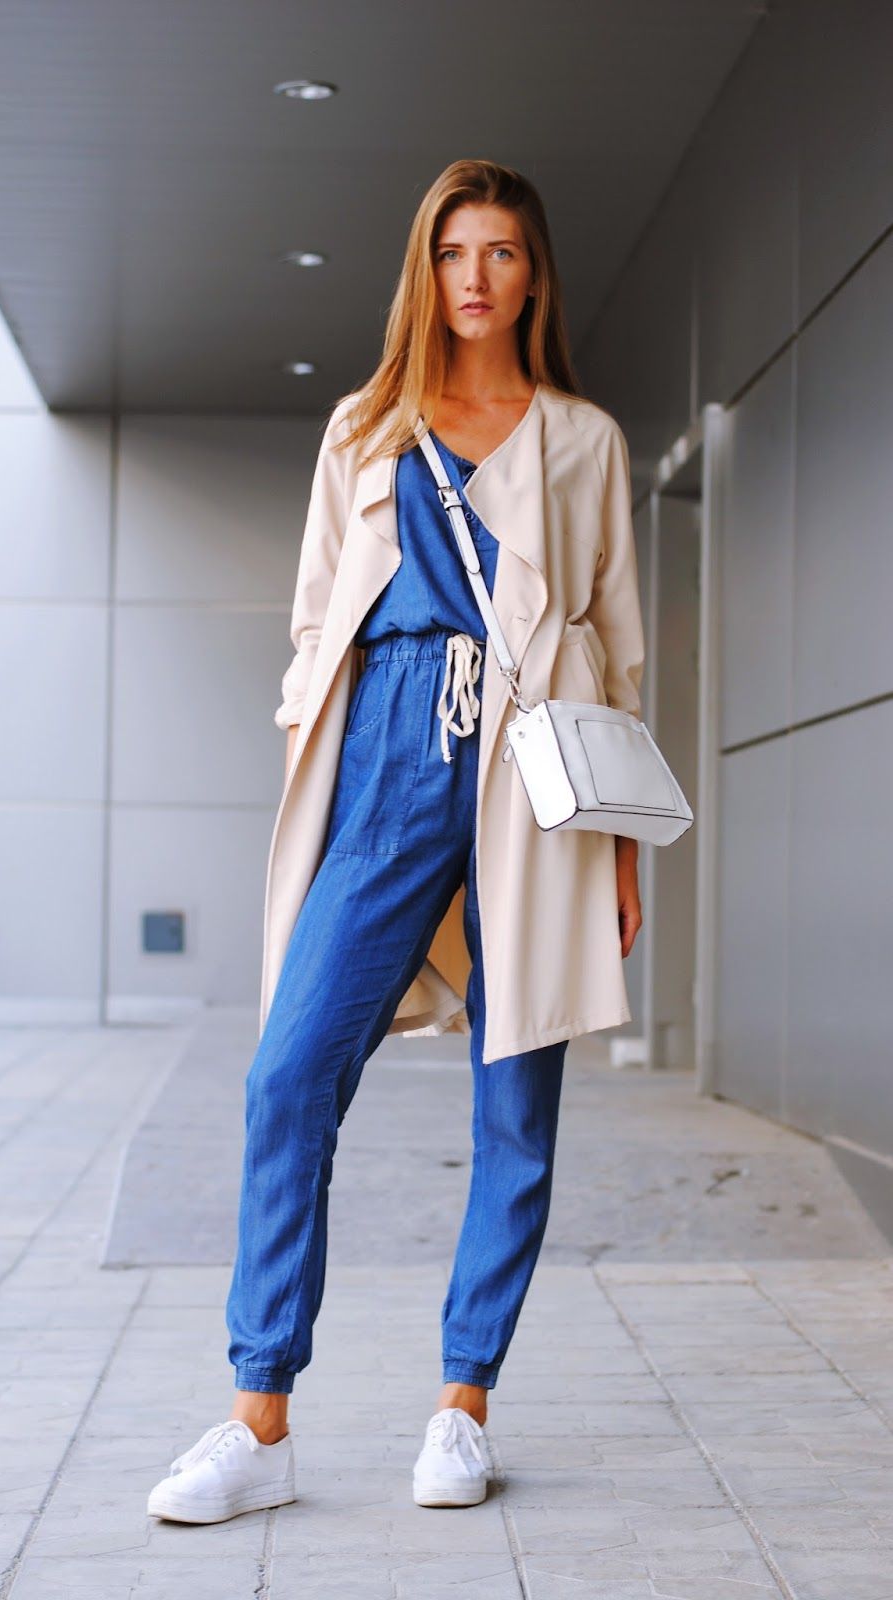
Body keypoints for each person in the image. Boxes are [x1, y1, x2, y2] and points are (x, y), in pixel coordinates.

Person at [147, 158, 644, 1525]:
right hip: (386, 753)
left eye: (500, 252)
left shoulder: (585, 441)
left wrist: (621, 852)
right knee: (288, 1075)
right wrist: (317, 776)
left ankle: (462, 1407)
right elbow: (319, 621)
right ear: (425, 272)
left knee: (516, 1098)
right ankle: (259, 1418)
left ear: (533, 277)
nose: (475, 276)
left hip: (536, 767)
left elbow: (620, 653)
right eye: (452, 252)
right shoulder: (365, 427)